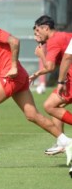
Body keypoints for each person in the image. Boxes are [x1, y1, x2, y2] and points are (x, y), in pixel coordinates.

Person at [0, 6, 71, 163]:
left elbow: (14, 41)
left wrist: (13, 66)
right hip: (18, 76)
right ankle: (66, 142)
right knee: (32, 115)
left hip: (11, 75)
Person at [29, 16, 72, 157]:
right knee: (55, 106)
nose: (36, 34)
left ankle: (64, 142)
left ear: (46, 28)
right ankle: (61, 142)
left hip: (70, 79)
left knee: (49, 106)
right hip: (69, 78)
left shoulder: (53, 41)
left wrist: (41, 55)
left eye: (37, 31)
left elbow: (49, 67)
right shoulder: (64, 36)